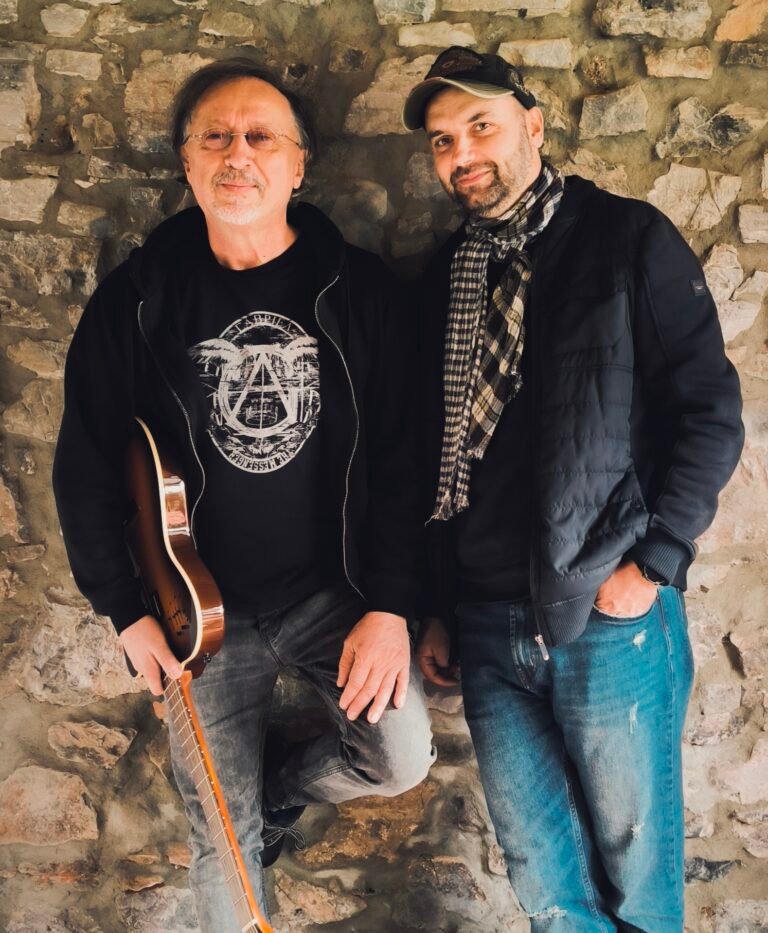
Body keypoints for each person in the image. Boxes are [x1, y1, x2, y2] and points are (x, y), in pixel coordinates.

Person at [53, 56, 434, 931]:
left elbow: (406, 459)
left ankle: (282, 785)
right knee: (218, 835)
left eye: (261, 137)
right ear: (187, 164)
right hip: (199, 617)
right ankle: (245, 813)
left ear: (298, 166)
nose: (238, 154)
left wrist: (392, 606)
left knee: (401, 755)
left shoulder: (362, 293)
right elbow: (84, 466)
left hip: (333, 597)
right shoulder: (135, 302)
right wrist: (126, 612)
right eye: (215, 137)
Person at [404, 46, 743, 931]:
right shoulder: (446, 277)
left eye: (481, 126)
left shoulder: (626, 239)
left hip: (607, 614)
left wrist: (653, 565)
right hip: (484, 624)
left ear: (534, 124)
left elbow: (709, 411)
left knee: (639, 888)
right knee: (549, 892)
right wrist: (437, 604)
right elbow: (433, 453)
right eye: (443, 141)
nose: (462, 154)